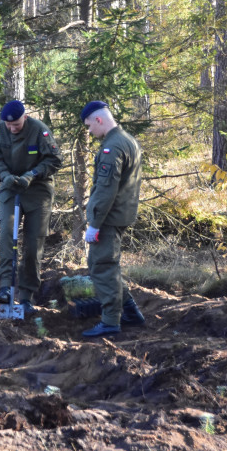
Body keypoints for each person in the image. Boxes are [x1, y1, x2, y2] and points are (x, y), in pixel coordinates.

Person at [0, 100, 63, 315]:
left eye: (16, 125)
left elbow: (55, 159)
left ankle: (27, 296)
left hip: (37, 190)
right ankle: (5, 290)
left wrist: (33, 174)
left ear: (25, 117)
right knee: (7, 235)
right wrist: (5, 176)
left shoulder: (40, 131)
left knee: (33, 242)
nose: (12, 128)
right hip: (11, 187)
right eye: (8, 125)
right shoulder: (1, 130)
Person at [80, 101, 145, 337]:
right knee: (110, 266)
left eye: (89, 126)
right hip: (121, 214)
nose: (89, 132)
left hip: (108, 218)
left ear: (98, 120)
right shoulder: (128, 140)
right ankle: (131, 312)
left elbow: (106, 190)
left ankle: (110, 321)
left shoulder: (112, 147)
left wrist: (94, 224)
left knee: (102, 267)